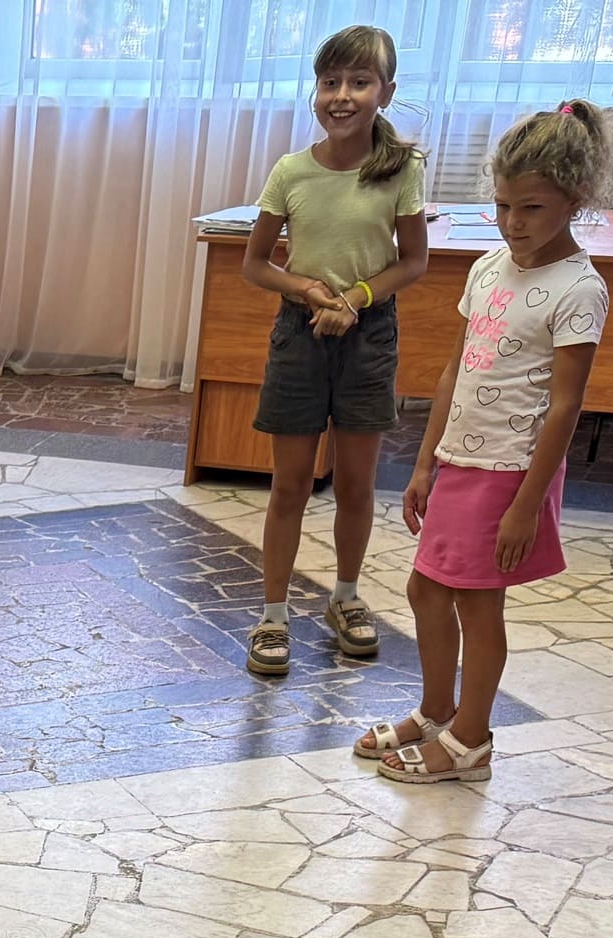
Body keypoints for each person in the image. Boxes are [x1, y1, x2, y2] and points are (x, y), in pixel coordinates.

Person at [362, 102, 613, 785]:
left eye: (531, 208)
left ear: (574, 199)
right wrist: (425, 462)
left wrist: (526, 505)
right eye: (502, 206)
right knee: (425, 590)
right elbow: (457, 369)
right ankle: (436, 710)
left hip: (510, 470)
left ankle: (471, 740)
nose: (512, 223)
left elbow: (566, 405)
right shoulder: (486, 269)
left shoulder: (578, 288)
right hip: (459, 460)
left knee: (476, 602)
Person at [241, 25, 430, 681]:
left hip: (368, 336)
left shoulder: (401, 170)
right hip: (299, 336)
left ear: (385, 93)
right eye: (329, 82)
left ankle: (345, 598)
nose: (341, 95)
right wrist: (306, 290)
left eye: (358, 82)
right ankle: (272, 614)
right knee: (290, 484)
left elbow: (413, 261)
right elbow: (255, 264)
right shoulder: (291, 171)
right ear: (315, 91)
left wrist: (353, 298)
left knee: (354, 484)